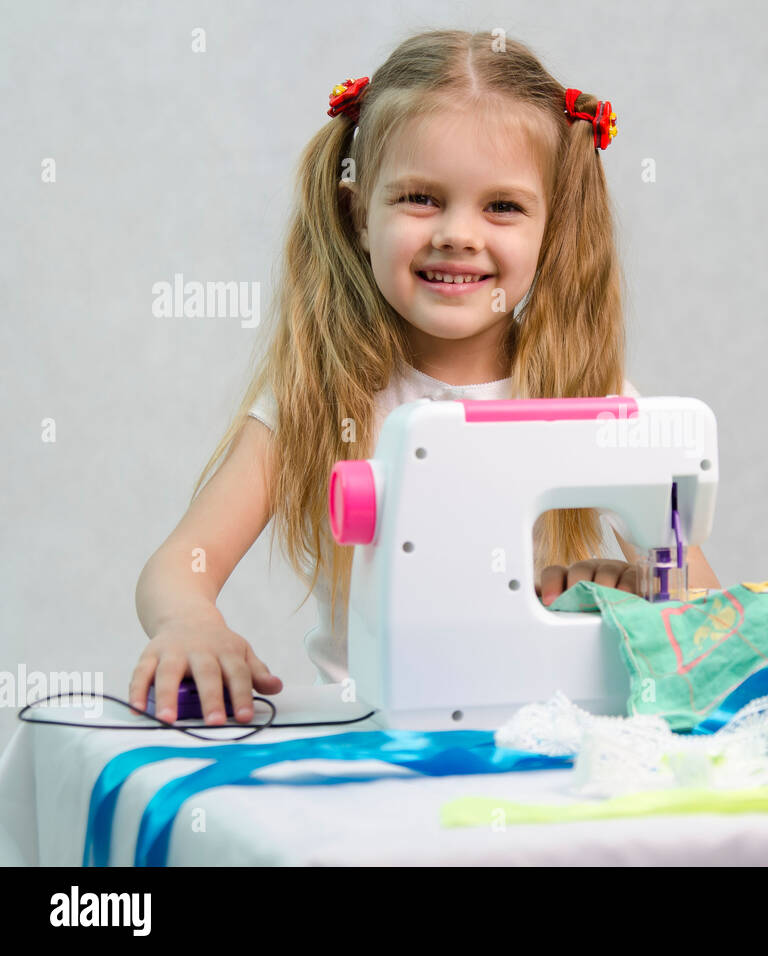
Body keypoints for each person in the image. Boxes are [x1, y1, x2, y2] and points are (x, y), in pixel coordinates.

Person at [131, 29, 720, 727]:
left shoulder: (591, 398)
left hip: (544, 743)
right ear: (358, 215)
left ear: (551, 230)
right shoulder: (322, 396)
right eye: (420, 199)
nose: (458, 235)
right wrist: (190, 623)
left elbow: (705, 613)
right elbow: (178, 565)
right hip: (374, 738)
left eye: (502, 206)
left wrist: (634, 597)